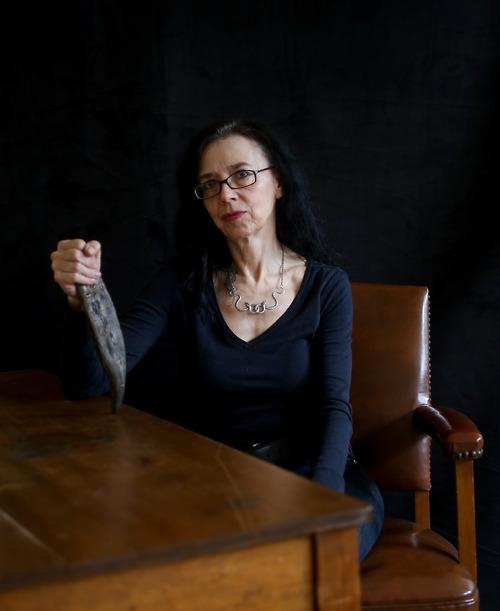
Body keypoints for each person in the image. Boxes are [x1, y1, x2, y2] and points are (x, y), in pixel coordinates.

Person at [51, 118, 383, 559]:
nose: (226, 193)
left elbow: (332, 407)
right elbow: (88, 383)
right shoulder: (180, 285)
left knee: (304, 563)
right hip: (218, 482)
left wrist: (319, 504)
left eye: (242, 175)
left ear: (278, 182)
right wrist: (80, 301)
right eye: (209, 185)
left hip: (318, 474)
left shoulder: (326, 287)